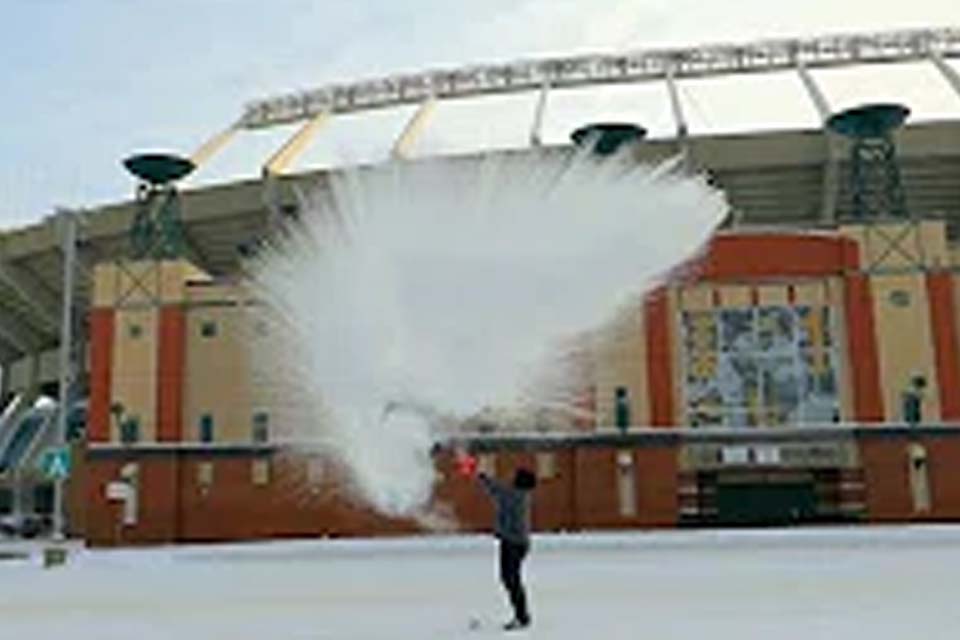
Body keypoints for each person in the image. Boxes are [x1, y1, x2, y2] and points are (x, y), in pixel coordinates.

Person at [459, 454, 537, 631]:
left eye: (514, 476)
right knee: (510, 579)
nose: (511, 477)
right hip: (517, 543)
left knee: (511, 579)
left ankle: (522, 617)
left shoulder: (513, 496)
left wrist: (475, 471)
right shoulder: (521, 495)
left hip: (513, 544)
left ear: (519, 482)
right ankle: (522, 615)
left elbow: (493, 487)